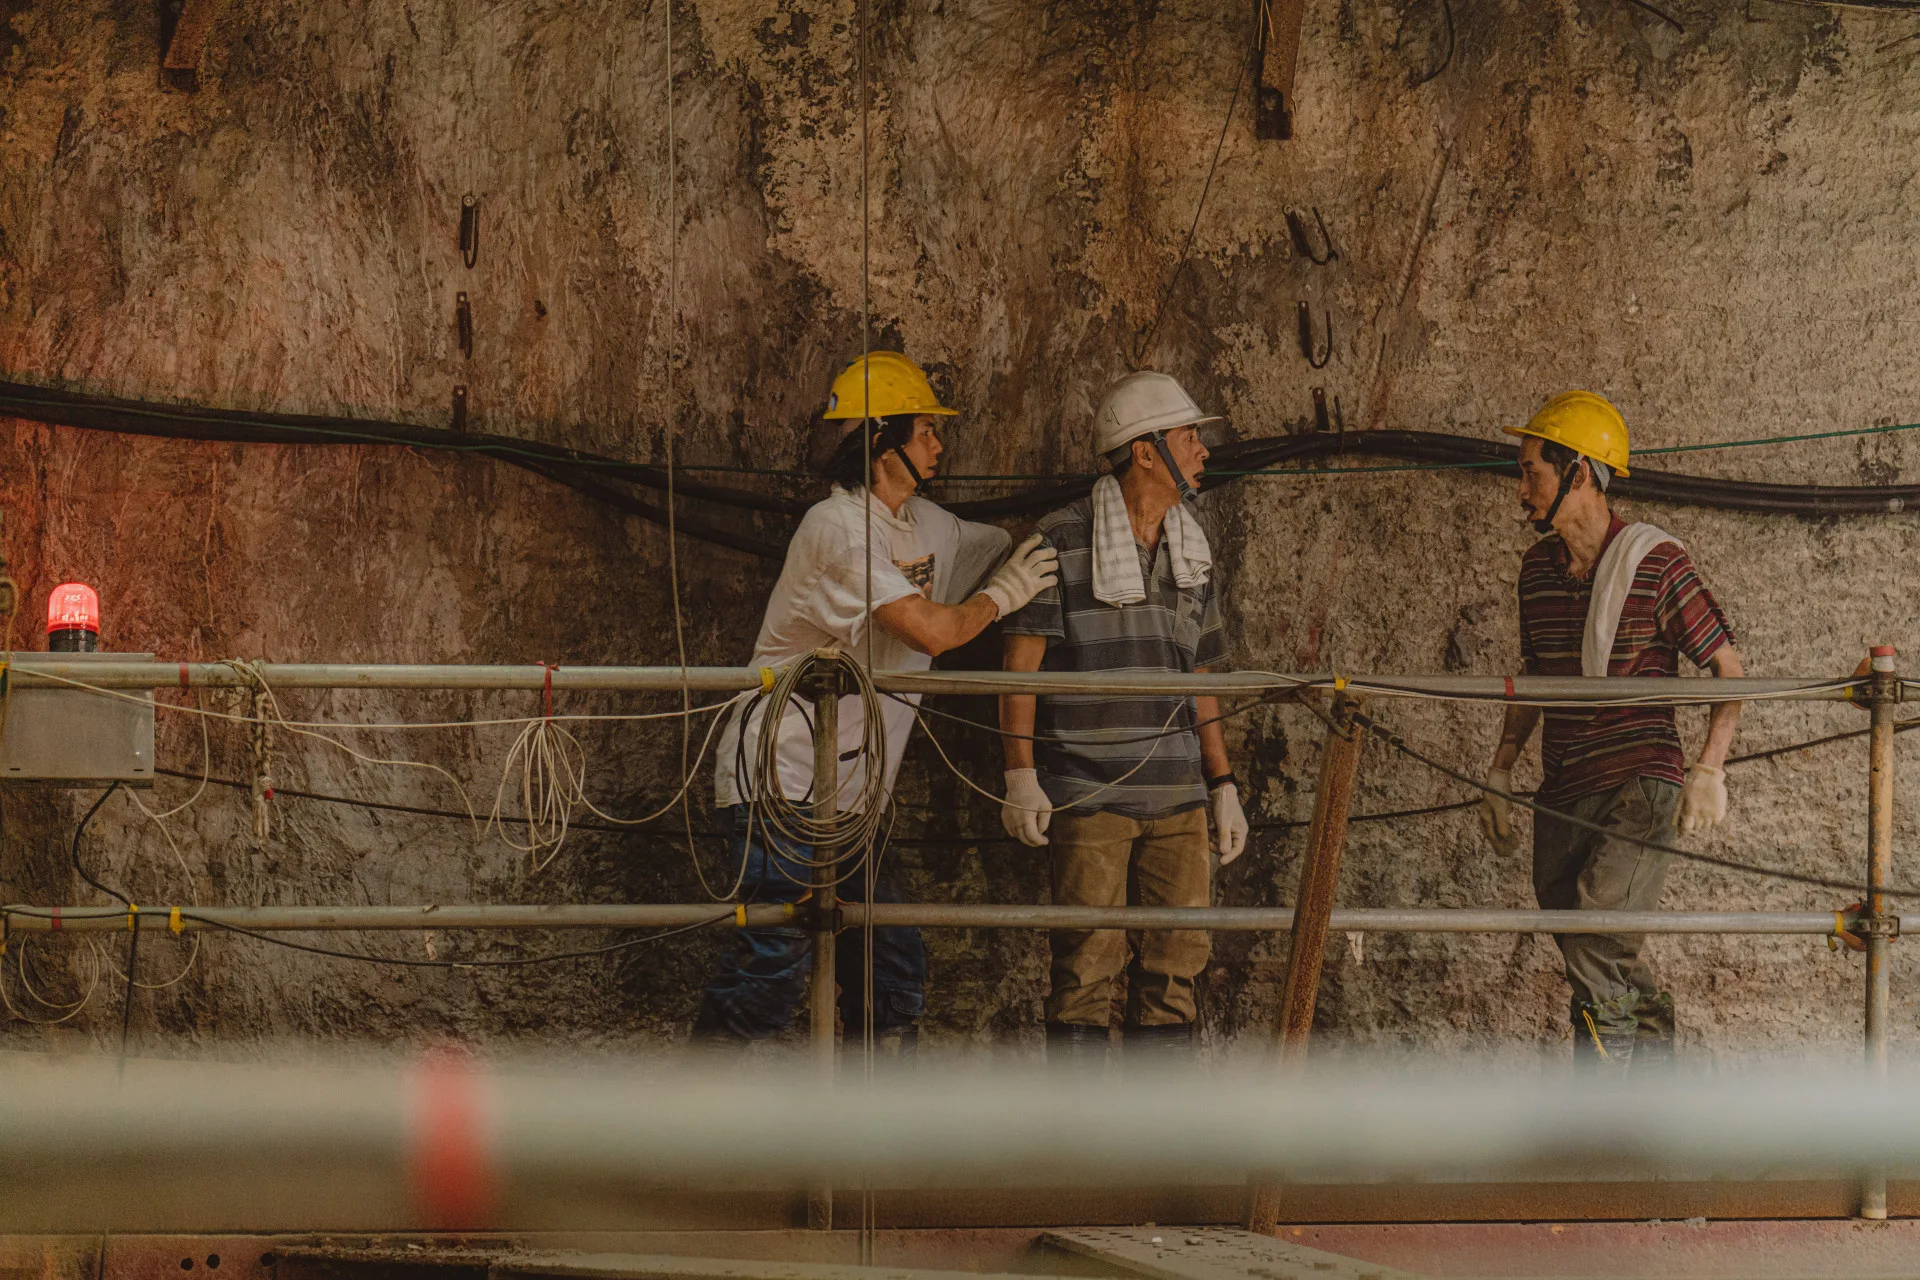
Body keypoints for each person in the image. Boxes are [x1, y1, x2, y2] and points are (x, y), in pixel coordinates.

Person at [692, 350, 1058, 1052]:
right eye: (925, 430)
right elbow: (932, 629)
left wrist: (1047, 549)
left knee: (890, 976)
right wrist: (1003, 595)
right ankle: (682, 1150)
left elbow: (1003, 543)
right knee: (769, 973)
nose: (939, 444)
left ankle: (857, 1150)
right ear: (880, 441)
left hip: (854, 800)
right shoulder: (836, 529)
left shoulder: (929, 525)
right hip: (783, 782)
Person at [1480, 390, 1745, 1071]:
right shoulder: (1537, 571)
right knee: (1589, 942)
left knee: (1595, 939)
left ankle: (1606, 1119)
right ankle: (1656, 1067)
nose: (1521, 491)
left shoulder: (1655, 564)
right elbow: (1534, 674)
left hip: (1638, 786)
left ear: (1582, 474)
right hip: (1565, 788)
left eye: (1532, 472)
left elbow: (1729, 670)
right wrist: (1502, 767)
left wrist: (1709, 770)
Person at [997, 371, 1248, 1068]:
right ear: (1145, 452)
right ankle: (1083, 1158)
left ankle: (1150, 1152)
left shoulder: (1192, 552)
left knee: (1177, 967)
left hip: (1177, 795)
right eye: (1188, 435)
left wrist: (1222, 783)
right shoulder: (1060, 539)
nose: (1202, 450)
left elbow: (1201, 674)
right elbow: (1018, 669)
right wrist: (1021, 775)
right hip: (1088, 790)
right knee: (1086, 964)